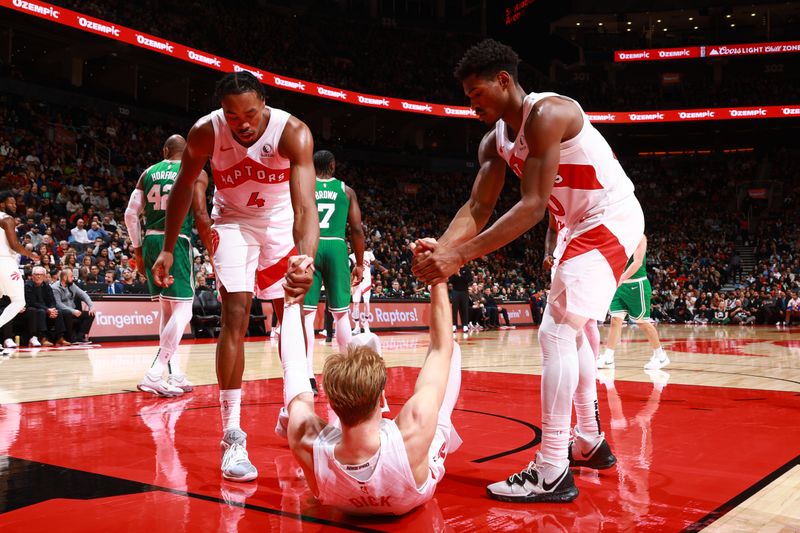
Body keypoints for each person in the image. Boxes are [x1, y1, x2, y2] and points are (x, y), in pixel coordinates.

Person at [413, 39, 643, 502]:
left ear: (504, 81)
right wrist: (443, 245)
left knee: (555, 331)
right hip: (575, 226)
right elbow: (478, 207)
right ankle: (587, 440)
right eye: (467, 97)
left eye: (476, 93)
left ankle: (553, 467)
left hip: (608, 216)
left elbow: (534, 205)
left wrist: (458, 257)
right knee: (572, 330)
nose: (471, 103)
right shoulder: (493, 141)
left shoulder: (548, 114)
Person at [151, 72, 318, 482]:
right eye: (232, 114)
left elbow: (305, 207)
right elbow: (183, 188)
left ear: (264, 104)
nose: (242, 122)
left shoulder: (292, 132)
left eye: (250, 112)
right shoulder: (206, 132)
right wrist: (169, 248)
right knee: (236, 314)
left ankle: (294, 410)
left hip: (279, 223)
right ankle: (232, 435)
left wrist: (305, 258)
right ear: (222, 112)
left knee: (290, 314)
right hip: (232, 222)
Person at [279, 248, 461, 515]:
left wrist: (292, 299)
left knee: (298, 406)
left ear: (332, 402)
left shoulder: (305, 439)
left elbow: (293, 367)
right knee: (451, 355)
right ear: (382, 399)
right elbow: (440, 348)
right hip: (409, 476)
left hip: (339, 489)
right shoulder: (414, 430)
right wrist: (437, 276)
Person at [126, 134, 212, 398]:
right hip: (176, 241)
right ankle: (155, 372)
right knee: (184, 309)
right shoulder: (194, 171)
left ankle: (173, 373)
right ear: (187, 152)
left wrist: (138, 251)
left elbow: (131, 214)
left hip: (151, 241)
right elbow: (199, 214)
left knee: (167, 308)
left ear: (165, 150)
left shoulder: (148, 173)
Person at [302, 150, 365, 395]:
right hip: (337, 246)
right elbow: (357, 229)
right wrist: (358, 263)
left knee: (306, 315)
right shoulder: (346, 191)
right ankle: (347, 374)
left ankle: (307, 376)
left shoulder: (305, 187)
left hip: (311, 245)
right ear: (333, 165)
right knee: (340, 314)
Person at [597, 235, 669, 371]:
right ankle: (608, 358)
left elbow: (637, 262)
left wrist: (621, 278)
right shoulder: (615, 234)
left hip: (637, 285)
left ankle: (661, 356)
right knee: (615, 321)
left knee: (642, 323)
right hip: (620, 286)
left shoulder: (640, 237)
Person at [0, 192, 37, 353]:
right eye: (11, 203)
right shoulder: (7, 219)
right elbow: (14, 245)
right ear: (2, 204)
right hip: (5, 261)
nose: (14, 205)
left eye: (15, 203)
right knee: (18, 301)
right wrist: (31, 255)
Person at [24, 266, 69, 347]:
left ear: (44, 276)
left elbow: (52, 300)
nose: (38, 276)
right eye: (36, 274)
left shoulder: (46, 285)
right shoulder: (28, 285)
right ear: (32, 276)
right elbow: (32, 302)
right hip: (34, 308)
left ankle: (60, 338)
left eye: (41, 275)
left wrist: (52, 309)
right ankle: (43, 338)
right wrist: (47, 309)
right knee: (40, 312)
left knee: (58, 312)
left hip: (46, 309)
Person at [50, 268, 96, 343]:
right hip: (63, 312)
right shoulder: (55, 288)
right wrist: (72, 311)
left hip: (73, 310)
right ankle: (70, 338)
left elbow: (83, 294)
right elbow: (58, 304)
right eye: (71, 276)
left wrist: (91, 306)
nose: (73, 278)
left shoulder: (71, 285)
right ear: (64, 278)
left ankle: (80, 337)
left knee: (90, 314)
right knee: (68, 313)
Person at [350, 245, 385, 335]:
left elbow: (376, 264)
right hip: (356, 281)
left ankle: (366, 324)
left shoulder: (368, 254)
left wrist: (382, 269)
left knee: (366, 302)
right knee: (356, 303)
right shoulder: (351, 257)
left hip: (366, 281)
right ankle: (357, 326)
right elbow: (348, 270)